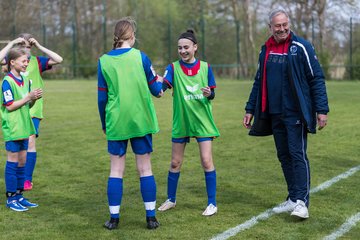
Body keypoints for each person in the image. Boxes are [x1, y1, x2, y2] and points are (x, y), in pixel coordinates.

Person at [242, 8, 329, 219]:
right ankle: (292, 198)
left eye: (284, 25)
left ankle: (302, 202)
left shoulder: (301, 47)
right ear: (270, 27)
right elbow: (258, 81)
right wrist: (250, 109)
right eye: (277, 26)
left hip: (296, 112)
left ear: (288, 24)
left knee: (297, 154)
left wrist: (322, 110)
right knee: (284, 155)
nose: (281, 29)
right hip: (274, 113)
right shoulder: (266, 50)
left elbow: (316, 78)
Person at [98, 16, 163, 230]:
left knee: (116, 171)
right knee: (145, 169)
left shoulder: (103, 61)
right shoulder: (141, 57)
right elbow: (156, 90)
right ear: (132, 36)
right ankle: (151, 218)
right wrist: (162, 85)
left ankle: (114, 219)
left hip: (116, 121)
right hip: (140, 120)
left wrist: (104, 123)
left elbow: (102, 98)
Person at [158, 30, 220, 216]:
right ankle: (171, 199)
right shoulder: (173, 68)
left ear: (195, 47)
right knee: (175, 162)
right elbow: (162, 87)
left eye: (186, 47)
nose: (183, 51)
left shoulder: (205, 67)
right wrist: (154, 82)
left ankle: (212, 203)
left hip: (202, 121)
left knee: (206, 160)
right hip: (182, 122)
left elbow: (213, 93)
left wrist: (210, 93)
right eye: (180, 48)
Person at [0, 33, 63, 191]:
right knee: (20, 150)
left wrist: (39, 46)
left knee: (30, 142)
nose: (26, 50)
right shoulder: (13, 60)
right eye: (22, 46)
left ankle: (26, 180)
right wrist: (13, 42)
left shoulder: (36, 61)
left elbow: (59, 59)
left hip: (33, 108)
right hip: (16, 110)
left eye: (28, 47)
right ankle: (18, 187)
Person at [1, 47, 43, 211]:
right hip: (13, 127)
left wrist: (33, 99)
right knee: (12, 161)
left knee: (22, 162)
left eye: (27, 61)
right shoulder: (7, 81)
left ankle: (20, 196)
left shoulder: (25, 80)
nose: (27, 63)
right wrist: (28, 97)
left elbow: (27, 103)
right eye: (23, 61)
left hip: (25, 126)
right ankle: (11, 198)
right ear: (12, 62)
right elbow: (10, 106)